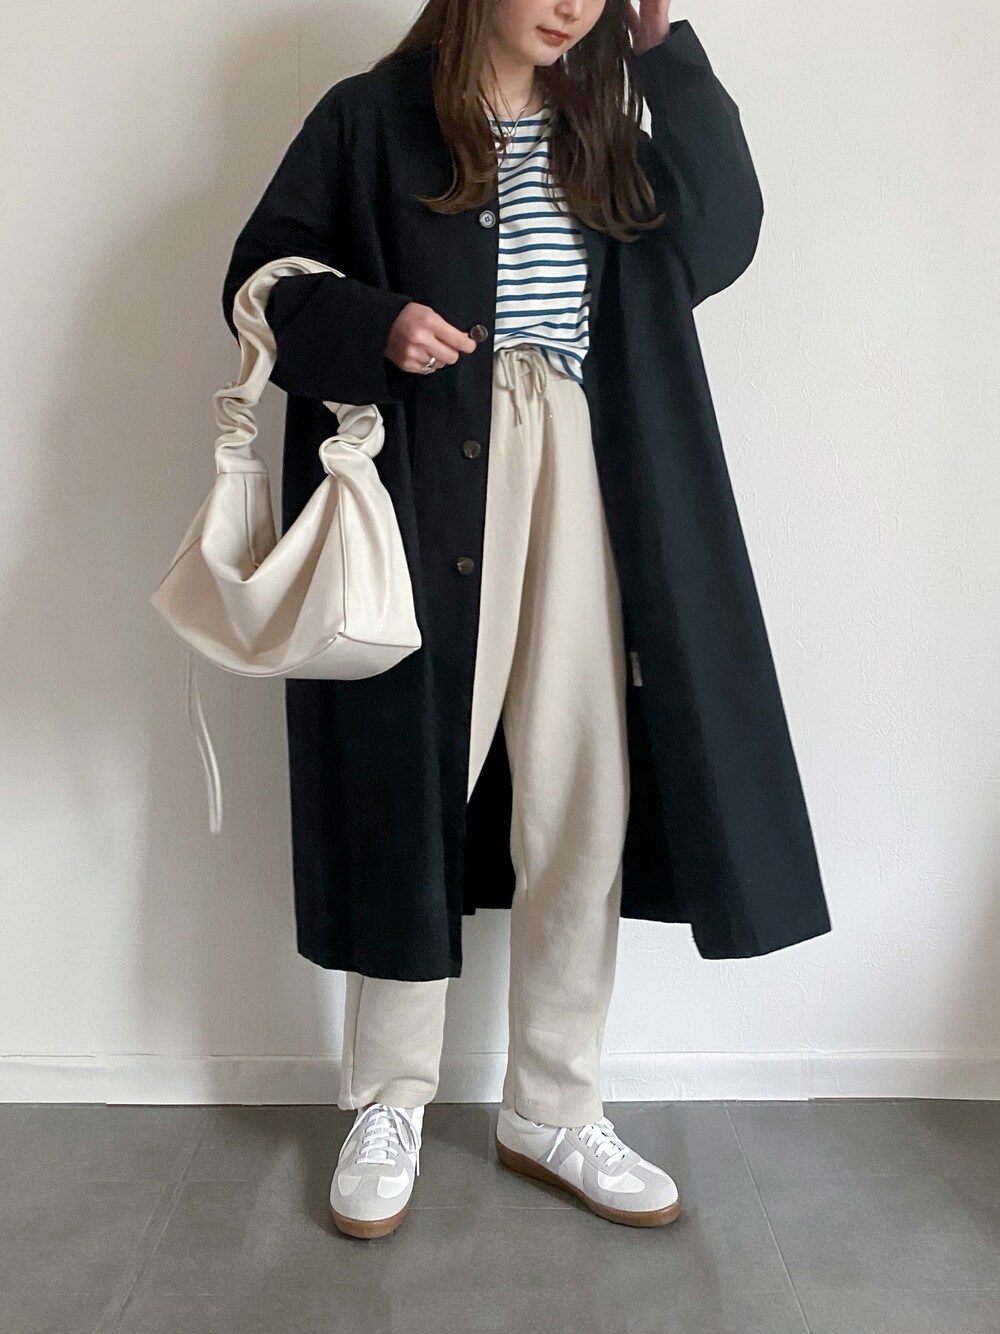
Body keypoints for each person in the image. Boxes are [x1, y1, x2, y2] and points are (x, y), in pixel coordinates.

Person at [222, 0, 826, 1241]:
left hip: (582, 459)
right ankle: (388, 1100)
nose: (571, 6)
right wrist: (375, 322)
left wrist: (665, 55)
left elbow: (723, 235)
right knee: (412, 775)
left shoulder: (606, 128)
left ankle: (554, 1104)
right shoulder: (369, 119)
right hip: (428, 468)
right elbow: (260, 279)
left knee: (582, 787)